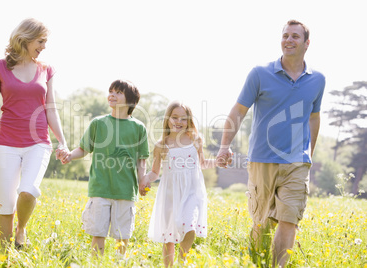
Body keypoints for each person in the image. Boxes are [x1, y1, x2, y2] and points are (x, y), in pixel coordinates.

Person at [217, 20, 325, 267]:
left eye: (295, 36)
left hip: (297, 162)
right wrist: (224, 145)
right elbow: (238, 110)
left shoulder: (318, 80)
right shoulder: (259, 73)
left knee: (289, 220)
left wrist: (310, 154)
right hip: (262, 159)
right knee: (261, 223)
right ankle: (257, 263)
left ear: (307, 43)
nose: (289, 40)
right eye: (285, 35)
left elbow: (314, 117)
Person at [0, 18, 68, 249]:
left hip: (38, 142)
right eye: (41, 41)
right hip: (5, 143)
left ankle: (21, 228)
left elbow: (50, 109)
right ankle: (3, 256)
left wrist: (62, 141)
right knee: (5, 206)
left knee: (28, 190)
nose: (44, 46)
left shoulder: (46, 69)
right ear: (25, 38)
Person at [59, 80, 149, 257]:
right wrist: (70, 155)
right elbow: (84, 149)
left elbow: (141, 160)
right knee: (98, 234)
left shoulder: (139, 128)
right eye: (111, 91)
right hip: (100, 189)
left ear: (130, 101)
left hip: (125, 192)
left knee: (122, 237)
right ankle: (96, 263)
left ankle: (118, 263)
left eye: (118, 92)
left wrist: (142, 181)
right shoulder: (98, 123)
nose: (112, 95)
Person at [141, 101, 216, 267]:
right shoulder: (161, 145)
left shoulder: (195, 139)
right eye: (175, 117)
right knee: (169, 235)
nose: (178, 121)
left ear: (189, 121)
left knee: (189, 226)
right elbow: (155, 172)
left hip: (192, 192)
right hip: (170, 194)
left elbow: (202, 164)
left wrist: (218, 162)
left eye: (183, 118)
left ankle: (183, 260)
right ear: (168, 119)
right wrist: (146, 178)